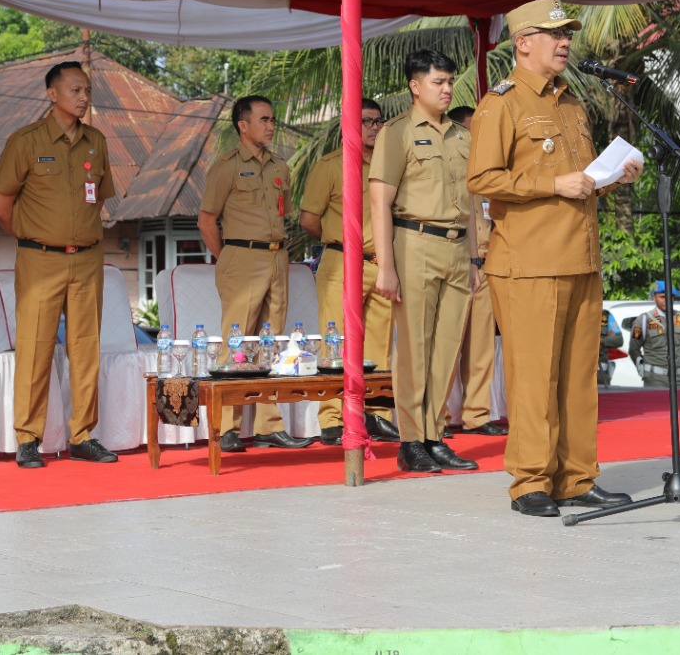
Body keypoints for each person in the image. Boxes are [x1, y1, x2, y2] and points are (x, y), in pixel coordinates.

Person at [467, 0, 643, 517]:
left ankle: (577, 478)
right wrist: (552, 181)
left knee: (577, 378)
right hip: (529, 263)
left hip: (580, 258)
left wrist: (609, 179)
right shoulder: (501, 104)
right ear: (523, 43)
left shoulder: (571, 104)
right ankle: (530, 482)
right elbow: (481, 180)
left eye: (568, 34)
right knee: (534, 376)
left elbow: (578, 185)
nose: (565, 42)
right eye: (554, 34)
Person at [0, 61, 118, 467]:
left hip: (86, 260)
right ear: (52, 94)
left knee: (86, 349)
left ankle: (82, 435)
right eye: (75, 90)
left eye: (87, 91)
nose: (83, 97)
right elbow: (1, 204)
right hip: (39, 259)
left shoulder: (95, 141)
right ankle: (28, 438)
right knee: (35, 348)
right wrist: (33, 237)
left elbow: (98, 198)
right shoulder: (25, 141)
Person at [372, 49, 477, 474]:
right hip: (413, 242)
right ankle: (411, 440)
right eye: (439, 82)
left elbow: (473, 200)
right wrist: (385, 266)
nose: (448, 89)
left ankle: (435, 435)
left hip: (455, 247)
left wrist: (474, 256)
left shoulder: (461, 135)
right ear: (415, 86)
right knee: (414, 348)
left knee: (447, 348)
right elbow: (380, 200)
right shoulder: (396, 133)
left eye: (450, 81)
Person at [198, 95, 314, 452]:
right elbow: (206, 219)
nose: (270, 125)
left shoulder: (280, 167)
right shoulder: (226, 167)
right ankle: (227, 428)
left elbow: (284, 215)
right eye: (263, 120)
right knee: (237, 344)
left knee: (272, 343)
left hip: (277, 258)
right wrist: (227, 257)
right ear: (242, 126)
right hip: (242, 257)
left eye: (272, 119)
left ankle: (268, 425)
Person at [298, 97, 399, 446]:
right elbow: (309, 219)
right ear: (349, 126)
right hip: (342, 261)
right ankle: (332, 418)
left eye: (378, 121)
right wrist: (339, 240)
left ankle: (379, 414)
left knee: (379, 344)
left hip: (382, 263)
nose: (375, 127)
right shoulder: (330, 166)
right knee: (336, 341)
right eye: (367, 121)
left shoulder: (389, 165)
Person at [447, 104, 505, 437]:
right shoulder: (450, 170)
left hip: (486, 267)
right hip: (457, 266)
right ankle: (437, 419)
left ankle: (477, 415)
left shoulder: (487, 175)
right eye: (472, 130)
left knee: (482, 350)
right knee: (447, 348)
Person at [629, 281, 680, 389]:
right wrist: (641, 367)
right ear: (653, 297)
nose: (667, 300)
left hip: (679, 379)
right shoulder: (644, 319)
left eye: (671, 296)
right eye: (662, 297)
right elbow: (633, 348)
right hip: (655, 379)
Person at [598, 309, 623, 388]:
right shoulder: (576, 313)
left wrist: (601, 340)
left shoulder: (605, 316)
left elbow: (619, 340)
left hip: (601, 372)